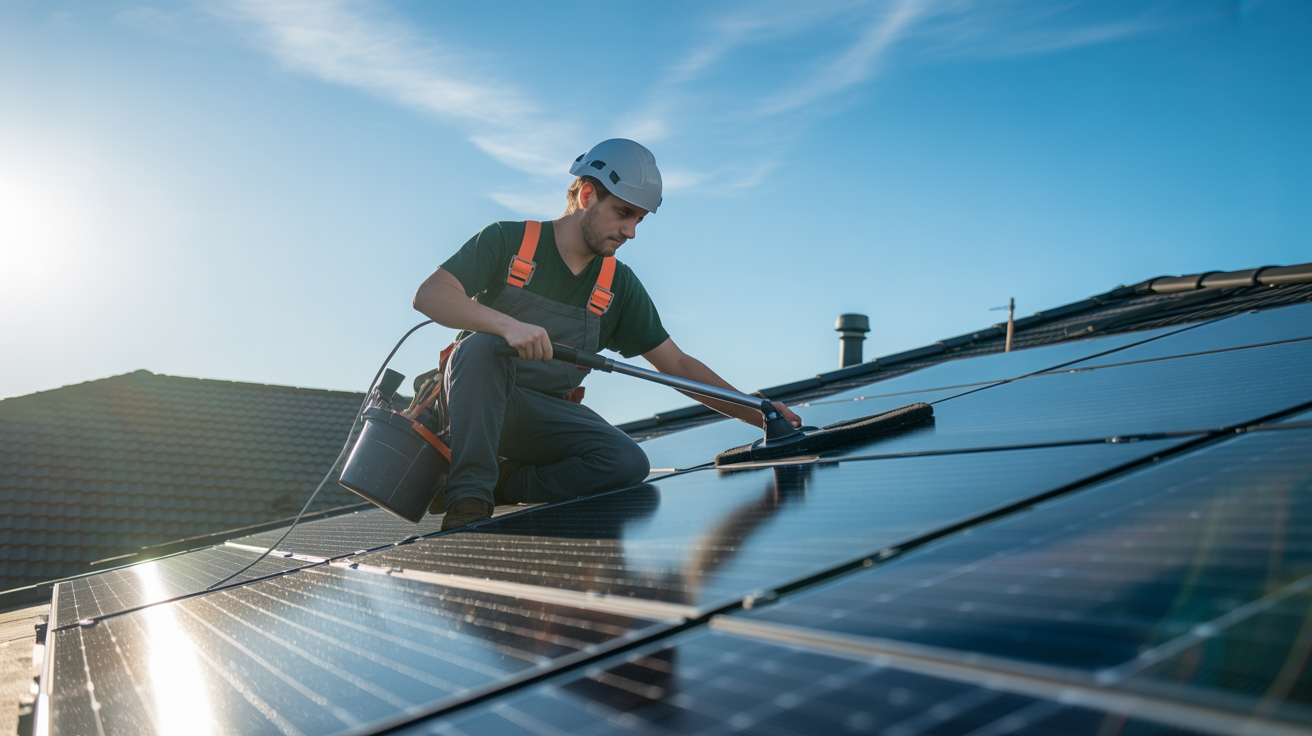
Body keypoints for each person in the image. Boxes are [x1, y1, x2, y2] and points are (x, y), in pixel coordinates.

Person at [412, 139, 802, 530]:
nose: (630, 231)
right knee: (478, 349)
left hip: (538, 420)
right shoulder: (509, 241)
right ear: (586, 195)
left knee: (627, 463)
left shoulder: (618, 285)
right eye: (622, 213)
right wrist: (507, 326)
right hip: (469, 405)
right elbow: (430, 295)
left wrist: (760, 413)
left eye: (639, 220)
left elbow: (677, 364)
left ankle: (504, 483)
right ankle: (468, 503)